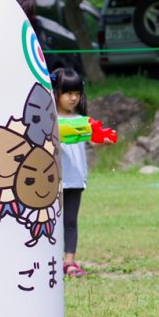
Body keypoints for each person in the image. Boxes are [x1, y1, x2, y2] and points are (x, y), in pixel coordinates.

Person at [51, 67, 110, 277]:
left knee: (70, 221)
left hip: (74, 179)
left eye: (77, 93)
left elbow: (90, 142)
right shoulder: (48, 118)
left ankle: (70, 262)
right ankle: (50, 260)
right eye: (68, 93)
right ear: (56, 92)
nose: (73, 98)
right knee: (51, 222)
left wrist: (100, 141)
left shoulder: (82, 119)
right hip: (52, 180)